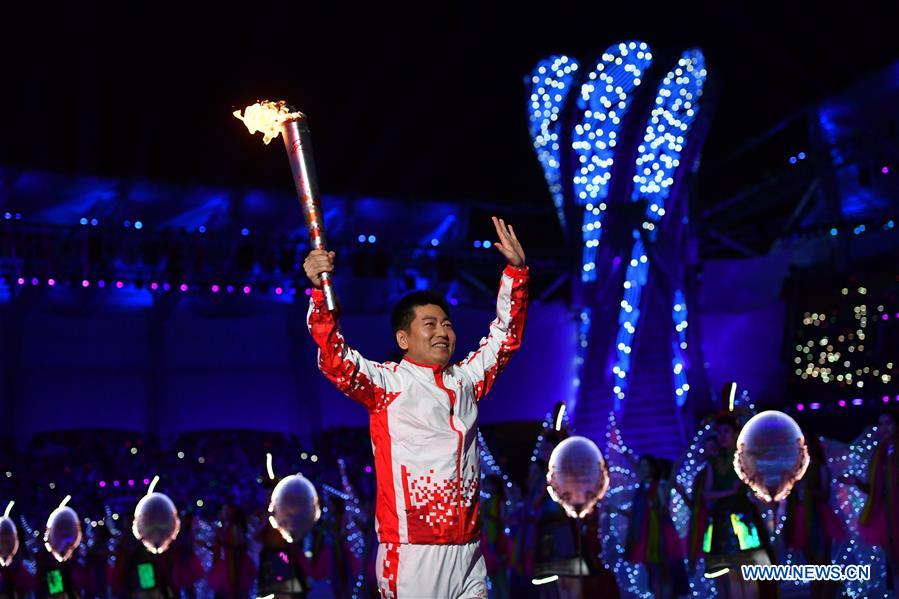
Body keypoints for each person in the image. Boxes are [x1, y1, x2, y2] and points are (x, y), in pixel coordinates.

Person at [303, 216, 529, 599]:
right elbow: (335, 359)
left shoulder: (467, 381)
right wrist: (321, 296)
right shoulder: (388, 384)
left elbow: (505, 338)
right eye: (429, 324)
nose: (442, 331)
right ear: (402, 337)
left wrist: (516, 273)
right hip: (413, 554)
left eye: (446, 323)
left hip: (469, 551)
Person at [704, 414, 777, 599]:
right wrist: (729, 491)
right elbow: (707, 493)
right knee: (733, 574)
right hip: (723, 521)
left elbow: (759, 488)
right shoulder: (714, 462)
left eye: (727, 431)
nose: (722, 436)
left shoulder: (746, 459)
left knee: (749, 573)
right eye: (720, 432)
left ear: (736, 433)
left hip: (744, 520)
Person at [784, 435, 845, 599]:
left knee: (823, 560)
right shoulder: (796, 471)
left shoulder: (820, 467)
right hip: (801, 516)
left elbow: (825, 493)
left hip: (819, 515)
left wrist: (809, 492)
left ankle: (827, 592)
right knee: (811, 563)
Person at [847, 410, 899, 591]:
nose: (883, 428)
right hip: (887, 516)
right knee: (893, 564)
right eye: (881, 424)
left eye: (888, 423)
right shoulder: (879, 453)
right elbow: (876, 490)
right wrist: (856, 483)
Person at [622, 456, 687, 599]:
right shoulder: (640, 490)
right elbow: (635, 514)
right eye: (641, 466)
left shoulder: (659, 486)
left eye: (646, 466)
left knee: (666, 572)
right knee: (653, 573)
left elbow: (663, 507)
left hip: (661, 533)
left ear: (652, 468)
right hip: (645, 535)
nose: (643, 469)